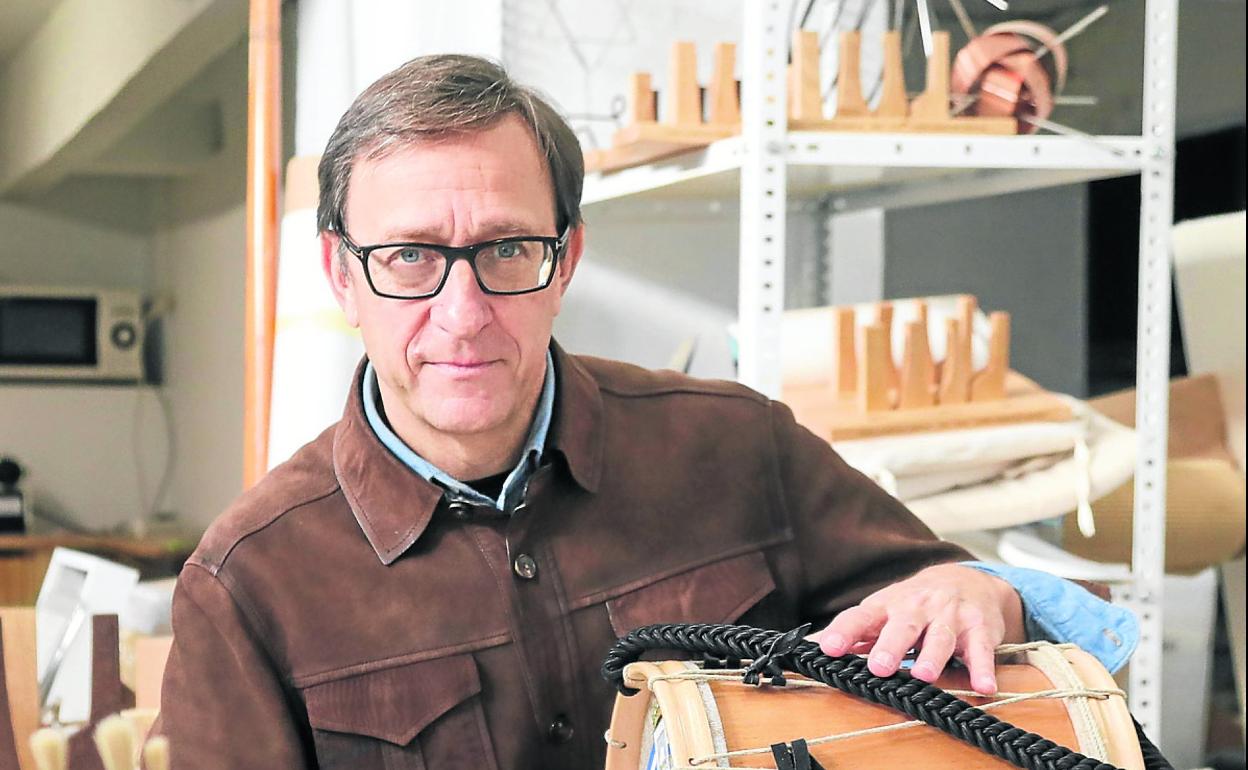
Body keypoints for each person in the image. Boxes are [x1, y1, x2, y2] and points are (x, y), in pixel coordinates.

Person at [156, 54, 1137, 769]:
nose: (462, 313)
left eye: (507, 250)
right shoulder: (247, 584)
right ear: (342, 273)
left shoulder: (739, 446)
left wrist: (981, 594)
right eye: (408, 257)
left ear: (566, 257)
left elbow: (949, 602)